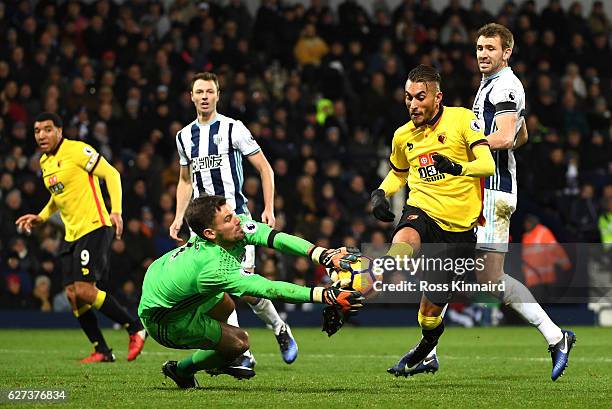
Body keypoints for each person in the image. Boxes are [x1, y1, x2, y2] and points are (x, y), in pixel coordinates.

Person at [416, 23, 575, 382]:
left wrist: (460, 151)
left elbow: (504, 136)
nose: (483, 54)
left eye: (490, 48)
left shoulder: (504, 85)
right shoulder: (493, 85)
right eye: (479, 48)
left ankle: (556, 336)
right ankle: (430, 350)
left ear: (507, 52)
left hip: (491, 191)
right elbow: (522, 134)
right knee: (445, 261)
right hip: (479, 189)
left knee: (482, 275)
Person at [139, 195, 364, 388]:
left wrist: (322, 254)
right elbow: (268, 288)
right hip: (165, 321)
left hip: (162, 282)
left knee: (227, 304)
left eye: (233, 213)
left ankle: (219, 353)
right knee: (240, 343)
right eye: (228, 219)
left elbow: (277, 238)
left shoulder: (229, 231)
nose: (238, 220)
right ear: (209, 233)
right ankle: (181, 370)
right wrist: (325, 295)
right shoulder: (214, 267)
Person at [368, 65, 495, 377]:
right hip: (422, 211)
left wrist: (456, 167)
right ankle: (382, 273)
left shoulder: (462, 119)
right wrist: (380, 193)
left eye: (420, 97)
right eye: (408, 98)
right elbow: (399, 172)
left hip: (459, 232)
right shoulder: (403, 136)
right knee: (406, 233)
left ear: (438, 98)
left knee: (428, 316)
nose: (413, 104)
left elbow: (487, 164)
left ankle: (429, 343)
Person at [168, 72, 298, 366]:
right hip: (204, 231)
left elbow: (265, 168)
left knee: (246, 289)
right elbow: (185, 181)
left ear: (217, 95)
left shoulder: (233, 129)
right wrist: (178, 217)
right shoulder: (184, 136)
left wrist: (269, 208)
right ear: (191, 96)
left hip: (236, 222)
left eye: (209, 91)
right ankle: (244, 354)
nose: (204, 96)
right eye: (198, 91)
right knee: (219, 290)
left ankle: (280, 329)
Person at [16, 112, 146, 363]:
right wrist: (41, 217)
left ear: (59, 131)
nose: (41, 135)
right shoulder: (45, 162)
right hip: (72, 233)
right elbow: (58, 196)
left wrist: (116, 211)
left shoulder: (78, 151)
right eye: (36, 130)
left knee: (86, 290)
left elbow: (112, 175)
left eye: (47, 129)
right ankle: (102, 350)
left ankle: (134, 327)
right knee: (73, 294)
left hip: (94, 226)